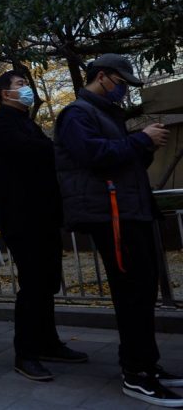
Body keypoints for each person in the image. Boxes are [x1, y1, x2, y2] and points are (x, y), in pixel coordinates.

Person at [54, 54, 182, 406]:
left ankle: (148, 365)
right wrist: (140, 140)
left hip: (129, 210)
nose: (125, 90)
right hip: (110, 214)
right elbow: (93, 155)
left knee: (143, 290)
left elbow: (120, 160)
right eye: (121, 82)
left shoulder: (106, 113)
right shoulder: (77, 113)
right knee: (132, 292)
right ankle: (136, 373)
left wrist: (143, 146)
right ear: (103, 77)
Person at [0, 72, 89, 380]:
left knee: (47, 283)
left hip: (44, 216)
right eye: (20, 86)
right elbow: (34, 152)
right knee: (32, 286)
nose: (27, 90)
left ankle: (48, 343)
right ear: (5, 94)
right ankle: (25, 353)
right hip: (21, 218)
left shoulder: (28, 123)